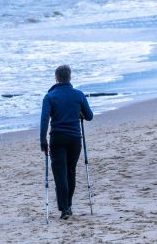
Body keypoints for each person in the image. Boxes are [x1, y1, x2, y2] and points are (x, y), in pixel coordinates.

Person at [40, 65, 94, 220]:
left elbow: (44, 119)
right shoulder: (78, 95)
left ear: (56, 78)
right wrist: (79, 113)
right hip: (75, 139)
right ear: (70, 78)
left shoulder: (49, 97)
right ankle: (67, 205)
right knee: (70, 171)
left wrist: (43, 140)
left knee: (60, 174)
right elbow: (89, 116)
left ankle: (65, 208)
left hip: (57, 138)